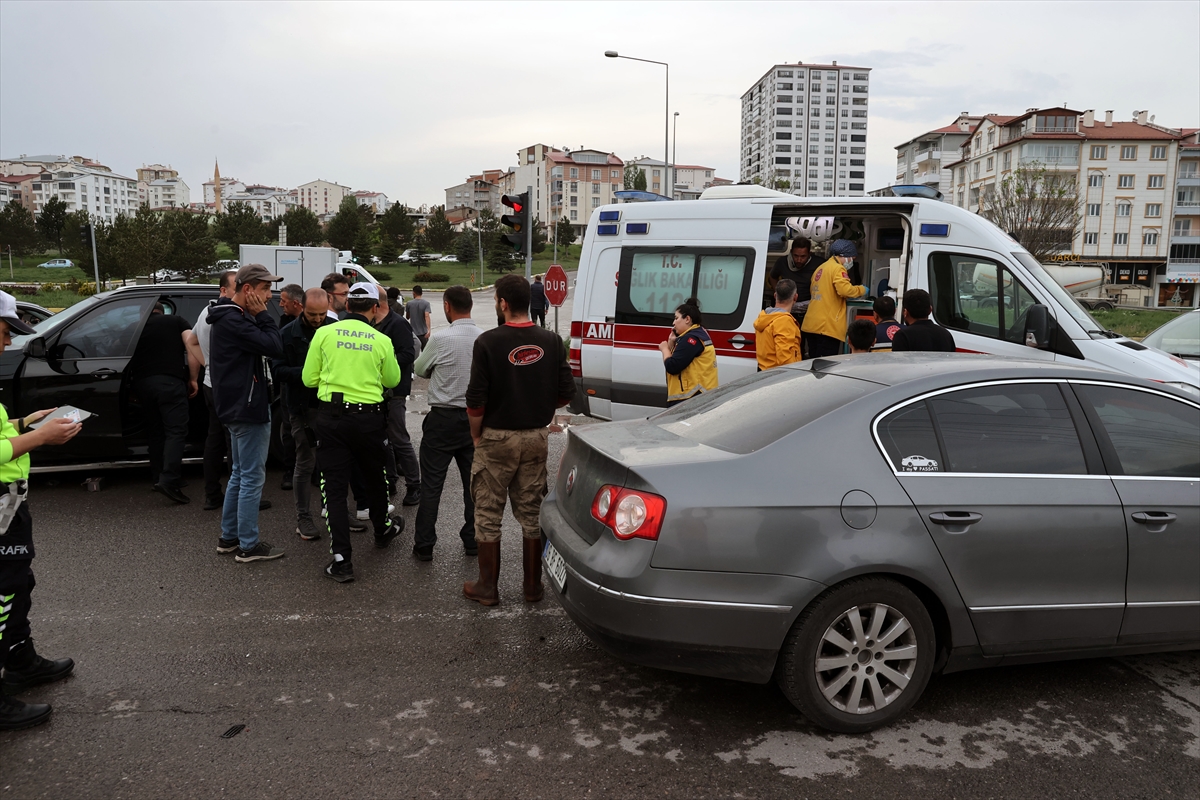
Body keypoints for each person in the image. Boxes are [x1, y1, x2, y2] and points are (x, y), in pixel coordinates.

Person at [464, 274, 575, 605]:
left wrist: (475, 434)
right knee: (531, 510)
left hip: (496, 437)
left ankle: (488, 587)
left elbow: (475, 401)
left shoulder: (487, 342)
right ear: (529, 301)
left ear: (502, 303)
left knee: (487, 510)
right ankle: (532, 587)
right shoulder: (553, 341)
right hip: (535, 437)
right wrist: (537, 407)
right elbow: (565, 393)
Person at [0, 290, 82, 731]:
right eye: (3, 331)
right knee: (2, 591)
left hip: (10, 503)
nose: (6, 343)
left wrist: (26, 422)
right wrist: (40, 438)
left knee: (18, 582)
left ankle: (19, 658)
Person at [302, 283, 403, 583]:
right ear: (374, 308)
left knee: (333, 489)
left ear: (347, 306)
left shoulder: (324, 333)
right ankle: (382, 529)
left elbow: (309, 379)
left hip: (331, 419)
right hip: (369, 419)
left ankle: (342, 560)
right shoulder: (381, 339)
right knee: (376, 477)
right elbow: (393, 379)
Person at [208, 264, 286, 564]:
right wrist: (263, 317)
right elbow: (274, 345)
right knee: (252, 477)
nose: (270, 296)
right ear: (248, 290)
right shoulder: (235, 320)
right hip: (247, 406)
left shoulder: (230, 316)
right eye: (266, 289)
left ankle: (229, 538)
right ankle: (248, 545)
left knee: (240, 475)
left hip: (236, 405)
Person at [410, 285, 482, 561]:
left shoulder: (440, 339)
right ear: (471, 306)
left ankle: (425, 544)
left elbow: (419, 369)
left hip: (441, 419)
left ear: (447, 306)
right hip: (474, 420)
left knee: (431, 485)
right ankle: (472, 540)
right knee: (473, 485)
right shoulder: (483, 338)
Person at [271, 288, 334, 542]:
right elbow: (278, 370)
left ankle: (333, 510)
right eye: (312, 314)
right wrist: (310, 374)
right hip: (300, 407)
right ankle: (303, 517)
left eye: (322, 314)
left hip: (330, 407)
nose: (318, 319)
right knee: (305, 462)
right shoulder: (287, 334)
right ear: (301, 307)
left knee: (333, 462)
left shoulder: (334, 329)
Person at [129, 302, 202, 504]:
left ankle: (157, 476)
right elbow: (192, 344)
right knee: (176, 432)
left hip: (144, 385)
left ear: (143, 312)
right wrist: (193, 378)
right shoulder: (176, 321)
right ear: (163, 311)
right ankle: (169, 480)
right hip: (170, 383)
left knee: (155, 431)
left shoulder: (134, 327)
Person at [188, 270, 238, 510]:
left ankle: (212, 494)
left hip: (210, 384)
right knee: (233, 442)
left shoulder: (205, 312)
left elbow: (191, 341)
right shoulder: (231, 316)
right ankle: (239, 496)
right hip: (227, 387)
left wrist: (207, 364)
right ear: (223, 290)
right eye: (237, 288)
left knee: (214, 440)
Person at [372, 283, 421, 507]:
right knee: (385, 440)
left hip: (395, 392)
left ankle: (414, 485)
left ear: (378, 303)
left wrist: (382, 363)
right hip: (376, 391)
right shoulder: (373, 323)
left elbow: (408, 354)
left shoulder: (398, 324)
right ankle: (390, 481)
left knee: (399, 438)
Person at [801, 239, 867, 358]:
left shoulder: (821, 267)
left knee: (814, 363)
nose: (852, 261)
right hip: (826, 327)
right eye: (852, 258)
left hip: (812, 324)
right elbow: (845, 290)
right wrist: (862, 289)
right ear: (845, 256)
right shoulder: (838, 268)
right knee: (825, 366)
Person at [658, 299, 717, 406]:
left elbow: (672, 366)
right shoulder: (699, 333)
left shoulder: (691, 339)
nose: (673, 322)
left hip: (690, 398)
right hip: (698, 396)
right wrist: (671, 342)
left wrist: (665, 349)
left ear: (687, 319)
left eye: (676, 318)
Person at [275, 284, 305, 491]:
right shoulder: (284, 324)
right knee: (289, 429)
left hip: (316, 388)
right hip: (290, 385)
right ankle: (290, 469)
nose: (280, 305)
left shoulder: (322, 325)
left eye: (283, 302)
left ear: (296, 303)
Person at [754, 278, 802, 371]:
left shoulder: (764, 317)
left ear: (775, 295)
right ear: (795, 297)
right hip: (778, 377)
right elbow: (785, 359)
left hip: (764, 372)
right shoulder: (784, 321)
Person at [892, 289, 957, 353]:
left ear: (905, 312)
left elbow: (899, 362)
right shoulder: (946, 334)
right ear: (930, 310)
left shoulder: (902, 336)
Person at [768, 237, 818, 306]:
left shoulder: (818, 263)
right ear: (791, 252)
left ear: (809, 254)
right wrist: (778, 293)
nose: (799, 260)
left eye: (803, 256)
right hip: (787, 304)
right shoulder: (782, 262)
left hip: (810, 304)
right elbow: (772, 277)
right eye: (796, 256)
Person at [406, 285, 432, 349]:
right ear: (422, 293)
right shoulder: (426, 303)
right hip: (423, 333)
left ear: (413, 293)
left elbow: (407, 317)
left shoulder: (409, 303)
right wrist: (428, 330)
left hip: (413, 333)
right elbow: (426, 316)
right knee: (425, 352)